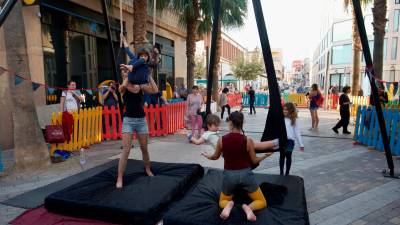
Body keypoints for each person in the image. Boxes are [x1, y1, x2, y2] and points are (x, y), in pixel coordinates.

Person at [201, 111, 271, 221]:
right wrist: (265, 156)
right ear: (242, 124)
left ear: (230, 123)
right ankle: (248, 207)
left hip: (229, 176)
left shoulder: (221, 140)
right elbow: (254, 160)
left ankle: (229, 205)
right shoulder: (248, 140)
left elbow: (215, 157)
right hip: (246, 175)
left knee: (222, 201)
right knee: (262, 202)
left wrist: (207, 156)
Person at [116, 65, 159, 188]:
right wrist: (127, 77)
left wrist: (148, 76)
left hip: (141, 120)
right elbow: (121, 89)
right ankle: (119, 177)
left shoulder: (140, 86)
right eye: (123, 72)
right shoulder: (123, 86)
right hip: (128, 120)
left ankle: (147, 169)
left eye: (127, 71)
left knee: (144, 148)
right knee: (126, 149)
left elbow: (155, 90)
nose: (125, 73)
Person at [280, 103, 304, 175]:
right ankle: (281, 172)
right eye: (283, 109)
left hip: (290, 141)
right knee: (282, 156)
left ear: (290, 110)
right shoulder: (281, 118)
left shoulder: (294, 119)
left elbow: (297, 132)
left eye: (286, 110)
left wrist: (301, 144)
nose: (284, 111)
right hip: (282, 140)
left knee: (288, 156)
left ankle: (287, 172)